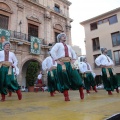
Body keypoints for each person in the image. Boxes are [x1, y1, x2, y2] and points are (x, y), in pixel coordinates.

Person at [50, 33, 84, 101]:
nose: (64, 37)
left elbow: (73, 53)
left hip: (70, 63)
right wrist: (57, 60)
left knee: (76, 76)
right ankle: (66, 96)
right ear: (59, 38)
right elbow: (52, 51)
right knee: (64, 78)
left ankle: (81, 91)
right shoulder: (57, 44)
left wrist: (74, 59)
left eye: (65, 36)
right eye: (63, 36)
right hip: (62, 63)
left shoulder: (69, 46)